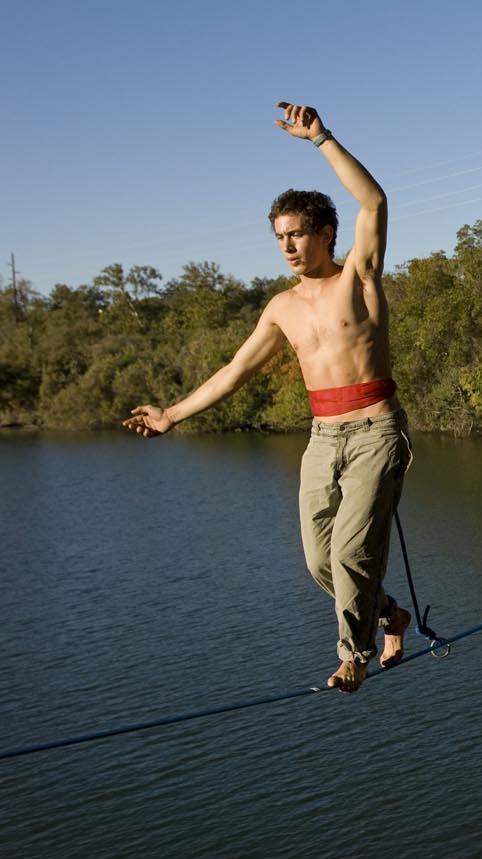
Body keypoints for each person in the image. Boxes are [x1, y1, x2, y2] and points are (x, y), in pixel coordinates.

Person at [123, 102, 411, 693]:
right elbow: (236, 369)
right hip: (322, 436)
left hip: (376, 430)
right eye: (279, 237)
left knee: (353, 551)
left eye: (297, 234)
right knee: (318, 562)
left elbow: (375, 203)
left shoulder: (359, 273)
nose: (287, 246)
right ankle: (390, 614)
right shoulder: (281, 307)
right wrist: (172, 414)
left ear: (326, 233)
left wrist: (322, 139)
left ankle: (352, 654)